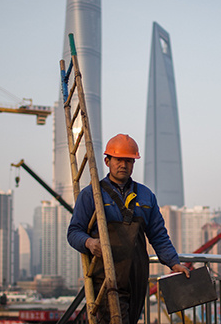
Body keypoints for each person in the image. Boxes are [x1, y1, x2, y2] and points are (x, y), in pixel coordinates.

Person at [67, 133, 189, 324]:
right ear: (107, 161)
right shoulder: (92, 194)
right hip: (107, 278)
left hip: (137, 278)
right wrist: (89, 243)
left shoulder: (146, 196)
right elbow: (73, 232)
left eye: (129, 160)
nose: (123, 165)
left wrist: (174, 263)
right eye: (118, 160)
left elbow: (158, 235)